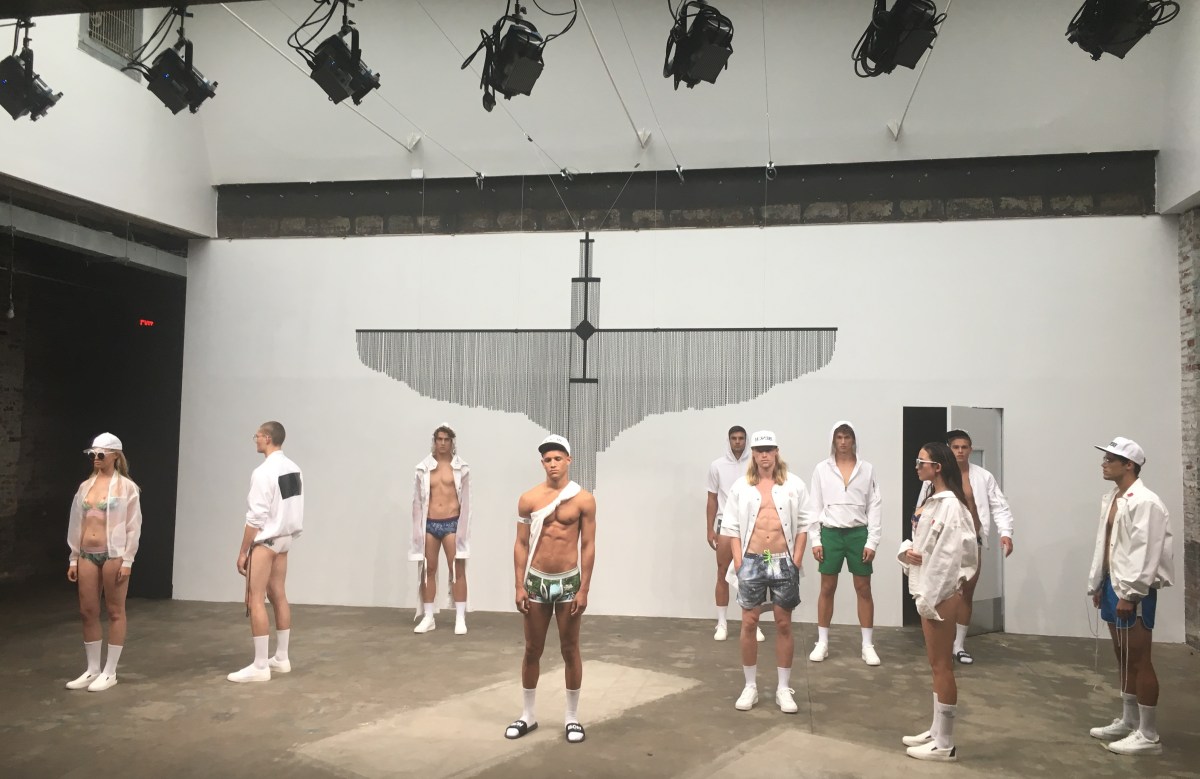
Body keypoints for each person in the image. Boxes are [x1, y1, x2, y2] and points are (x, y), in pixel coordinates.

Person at [506, 435, 597, 744]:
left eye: (558, 458)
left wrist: (584, 588)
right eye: (547, 460)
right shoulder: (529, 499)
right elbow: (520, 543)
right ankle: (528, 715)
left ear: (568, 460)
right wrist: (518, 585)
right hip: (537, 581)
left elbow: (588, 545)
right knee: (532, 649)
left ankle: (572, 718)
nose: (553, 464)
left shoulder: (583, 500)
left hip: (569, 581)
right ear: (542, 463)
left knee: (570, 649)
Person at [1086, 437, 1174, 756]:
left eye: (1110, 459)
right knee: (1122, 654)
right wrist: (1099, 583)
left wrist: (1132, 595)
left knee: (1139, 657)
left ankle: (1148, 734)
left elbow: (1146, 551)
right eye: (1105, 458)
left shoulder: (1146, 502)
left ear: (1129, 465)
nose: (1104, 464)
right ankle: (1129, 720)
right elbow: (1108, 544)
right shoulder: (1114, 497)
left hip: (1133, 589)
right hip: (1114, 583)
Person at [720, 430, 812, 715]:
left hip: (781, 560)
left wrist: (797, 558)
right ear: (753, 454)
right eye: (759, 450)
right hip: (753, 559)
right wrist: (739, 562)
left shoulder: (794, 484)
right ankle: (750, 686)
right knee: (749, 622)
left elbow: (805, 523)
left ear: (776, 452)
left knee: (783, 623)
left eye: (768, 450)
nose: (764, 455)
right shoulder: (741, 487)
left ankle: (784, 687)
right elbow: (731, 526)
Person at [898, 442, 979, 762]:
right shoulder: (932, 499)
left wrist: (932, 595)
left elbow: (957, 557)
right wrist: (907, 553)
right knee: (936, 665)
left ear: (938, 467)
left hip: (939, 594)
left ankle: (945, 743)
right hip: (928, 590)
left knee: (943, 666)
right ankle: (936, 730)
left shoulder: (952, 507)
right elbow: (923, 544)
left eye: (922, 462)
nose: (917, 466)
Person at [916, 429, 1014, 664]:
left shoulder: (982, 477)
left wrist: (1006, 533)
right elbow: (921, 511)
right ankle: (941, 640)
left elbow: (999, 505)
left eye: (964, 447)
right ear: (949, 450)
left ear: (970, 449)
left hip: (970, 542)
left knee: (966, 592)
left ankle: (958, 645)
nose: (960, 451)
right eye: (956, 447)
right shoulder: (936, 478)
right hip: (941, 543)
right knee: (941, 591)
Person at [65, 433, 142, 692]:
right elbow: (76, 522)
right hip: (87, 553)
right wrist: (73, 557)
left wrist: (128, 559)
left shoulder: (126, 488)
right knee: (87, 611)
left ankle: (110, 671)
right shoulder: (86, 487)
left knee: (115, 610)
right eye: (93, 454)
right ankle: (92, 669)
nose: (95, 458)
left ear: (115, 456)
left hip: (114, 553)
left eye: (100, 454)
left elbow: (133, 526)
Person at [227, 421, 303, 683]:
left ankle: (260, 665)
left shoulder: (263, 472)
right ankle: (282, 657)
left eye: (257, 436)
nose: (256, 440)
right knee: (278, 594)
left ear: (268, 438)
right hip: (284, 539)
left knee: (255, 598)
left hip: (267, 540)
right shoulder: (294, 468)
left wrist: (243, 551)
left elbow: (256, 516)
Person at [808, 421, 883, 665]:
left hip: (858, 533)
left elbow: (875, 505)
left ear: (854, 440)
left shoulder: (867, 469)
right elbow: (814, 506)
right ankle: (822, 642)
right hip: (830, 533)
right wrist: (815, 539)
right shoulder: (822, 469)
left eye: (847, 437)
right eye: (839, 437)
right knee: (827, 587)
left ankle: (867, 645)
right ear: (833, 439)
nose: (843, 442)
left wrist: (872, 541)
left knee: (864, 588)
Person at [411, 424, 472, 635]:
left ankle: (460, 617)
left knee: (457, 570)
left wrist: (463, 530)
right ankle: (428, 617)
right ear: (435, 441)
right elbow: (417, 502)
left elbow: (467, 503)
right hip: (430, 524)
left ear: (452, 442)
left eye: (447, 439)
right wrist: (417, 531)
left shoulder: (461, 468)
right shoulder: (423, 468)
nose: (443, 443)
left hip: (452, 523)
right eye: (439, 439)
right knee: (428, 570)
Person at [705, 426, 762, 642]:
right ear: (728, 440)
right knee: (722, 572)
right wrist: (710, 528)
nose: (737, 442)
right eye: (734, 438)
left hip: (752, 525)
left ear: (746, 441)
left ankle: (754, 623)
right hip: (725, 524)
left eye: (741, 438)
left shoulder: (755, 464)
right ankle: (722, 623)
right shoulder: (717, 466)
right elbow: (711, 498)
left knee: (755, 575)